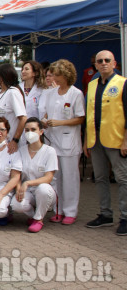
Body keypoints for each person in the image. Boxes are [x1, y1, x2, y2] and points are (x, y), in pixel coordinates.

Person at [84, 50, 127, 235]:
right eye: (99, 61)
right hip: (95, 139)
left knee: (122, 179)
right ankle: (105, 214)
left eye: (107, 60)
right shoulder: (92, 85)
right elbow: (89, 115)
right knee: (100, 178)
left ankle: (125, 217)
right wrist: (86, 139)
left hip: (116, 139)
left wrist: (126, 140)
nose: (103, 63)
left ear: (114, 63)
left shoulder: (123, 83)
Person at [40, 60, 85, 225]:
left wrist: (60, 123)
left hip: (69, 142)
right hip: (53, 141)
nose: (54, 79)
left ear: (66, 76)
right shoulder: (51, 93)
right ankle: (58, 209)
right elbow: (45, 113)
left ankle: (70, 211)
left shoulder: (76, 94)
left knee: (70, 177)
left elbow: (80, 118)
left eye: (57, 75)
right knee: (55, 177)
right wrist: (44, 121)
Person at [11, 118, 58, 233]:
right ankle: (33, 215)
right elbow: (16, 173)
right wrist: (18, 189)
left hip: (45, 191)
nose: (29, 133)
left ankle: (38, 219)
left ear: (41, 131)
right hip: (27, 191)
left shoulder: (49, 151)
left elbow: (48, 177)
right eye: (26, 130)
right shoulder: (21, 151)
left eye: (33, 129)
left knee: (43, 189)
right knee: (16, 205)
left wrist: (27, 183)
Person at [0, 63, 27, 154]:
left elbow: (23, 118)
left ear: (1, 78)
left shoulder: (13, 93)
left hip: (10, 142)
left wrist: (15, 140)